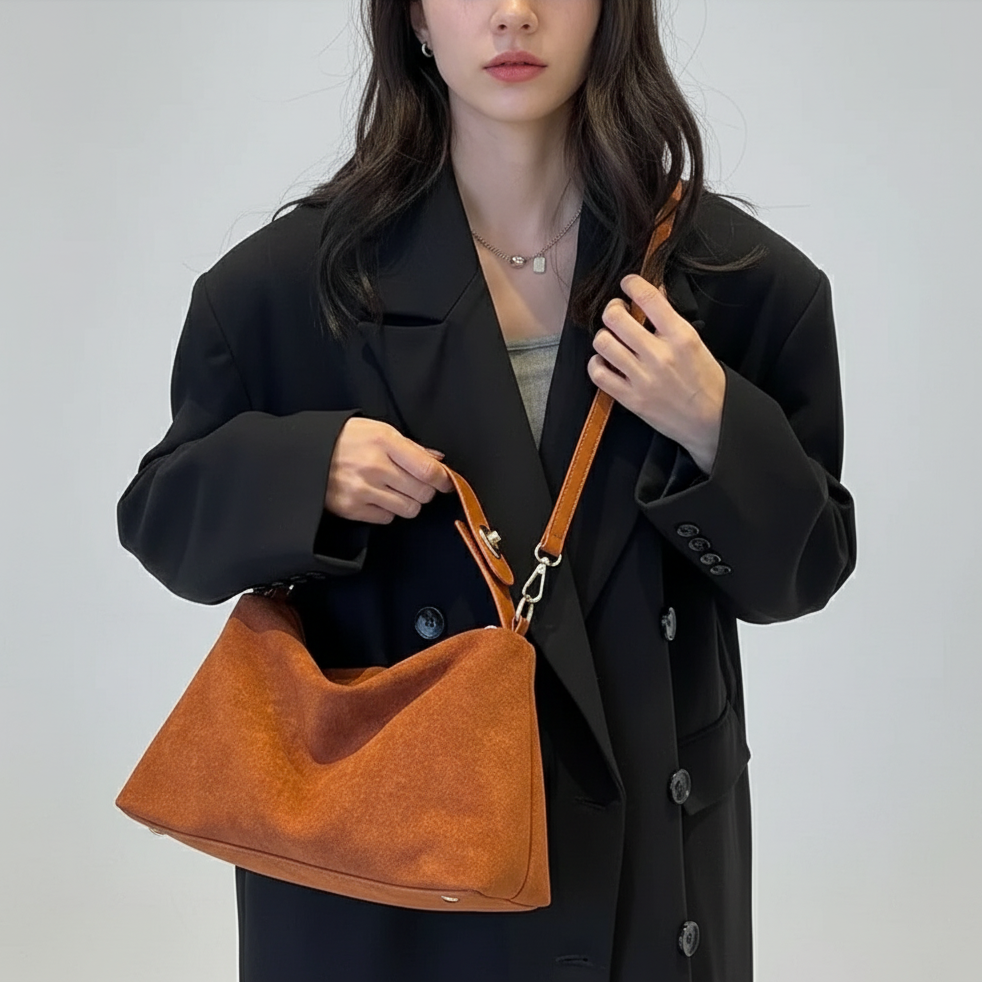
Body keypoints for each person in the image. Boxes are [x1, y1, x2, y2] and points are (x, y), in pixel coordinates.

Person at [116, 1, 857, 980]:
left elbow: (800, 572)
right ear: (416, 16)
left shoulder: (739, 285)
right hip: (383, 894)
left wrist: (712, 421)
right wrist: (308, 472)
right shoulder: (284, 291)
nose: (513, 13)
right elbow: (164, 522)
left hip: (641, 886)